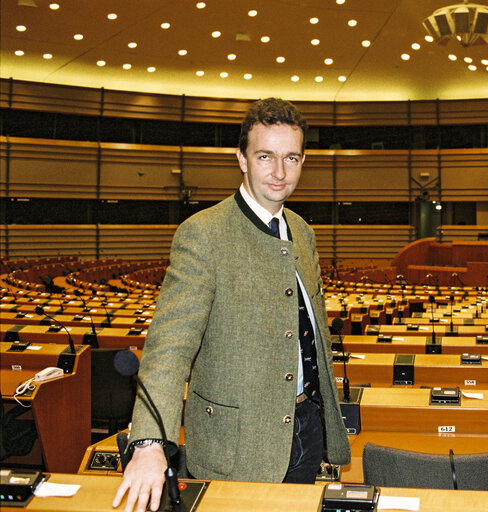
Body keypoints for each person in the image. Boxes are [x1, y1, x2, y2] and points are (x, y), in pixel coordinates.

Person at [112, 98, 351, 512]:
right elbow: (169, 348)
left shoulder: (303, 232)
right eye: (265, 156)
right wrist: (150, 443)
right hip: (236, 444)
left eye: (291, 158)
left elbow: (309, 333)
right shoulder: (203, 234)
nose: (280, 172)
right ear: (241, 158)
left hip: (305, 427)